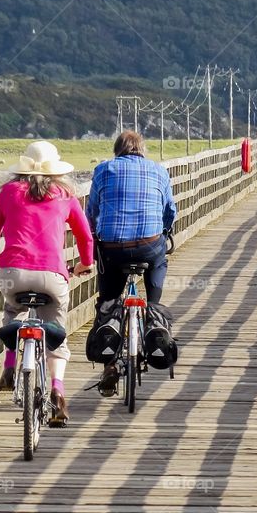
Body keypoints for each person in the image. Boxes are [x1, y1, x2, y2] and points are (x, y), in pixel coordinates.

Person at [0, 141, 94, 427]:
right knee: (56, 337)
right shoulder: (65, 193)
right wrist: (85, 263)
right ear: (56, 171)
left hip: (13, 273)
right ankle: (57, 390)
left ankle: (9, 366)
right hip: (52, 275)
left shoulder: (8, 192)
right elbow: (85, 237)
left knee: (12, 310)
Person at [86, 131, 178, 395]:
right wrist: (165, 230)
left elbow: (92, 211)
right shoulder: (159, 171)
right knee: (158, 266)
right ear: (142, 150)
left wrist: (94, 234)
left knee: (108, 298)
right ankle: (153, 312)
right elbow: (169, 211)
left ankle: (108, 364)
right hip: (149, 247)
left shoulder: (103, 170)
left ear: (117, 150)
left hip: (112, 249)